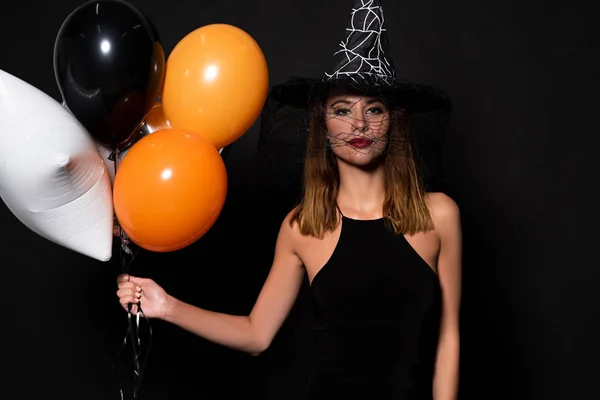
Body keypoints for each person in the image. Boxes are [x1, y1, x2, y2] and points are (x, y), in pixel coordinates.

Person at [117, 1, 461, 399]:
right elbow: (257, 334)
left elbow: (448, 336)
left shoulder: (439, 215)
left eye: (375, 108)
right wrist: (166, 306)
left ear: (394, 122)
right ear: (323, 124)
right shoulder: (303, 226)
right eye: (342, 109)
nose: (359, 124)